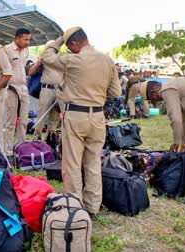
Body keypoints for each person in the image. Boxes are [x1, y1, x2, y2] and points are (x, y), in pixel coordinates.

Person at [42, 27, 121, 217]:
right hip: (97, 117)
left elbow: (47, 57)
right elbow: (116, 92)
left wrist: (59, 40)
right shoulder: (107, 60)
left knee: (72, 163)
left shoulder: (73, 59)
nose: (69, 50)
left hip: (76, 115)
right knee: (93, 163)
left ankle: (74, 206)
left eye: (70, 47)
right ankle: (92, 207)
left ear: (74, 43)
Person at [29, 40, 64, 141]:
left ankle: (51, 138)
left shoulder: (61, 59)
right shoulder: (44, 59)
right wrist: (38, 63)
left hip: (59, 89)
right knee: (42, 114)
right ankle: (36, 137)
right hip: (47, 89)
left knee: (55, 116)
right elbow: (31, 72)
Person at [4, 28, 31, 157]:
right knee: (10, 122)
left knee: (24, 120)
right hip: (11, 89)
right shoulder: (7, 50)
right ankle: (8, 152)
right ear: (17, 38)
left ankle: (22, 149)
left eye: (28, 39)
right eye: (25, 39)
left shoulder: (26, 50)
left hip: (24, 88)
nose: (27, 42)